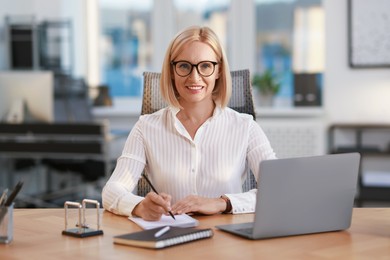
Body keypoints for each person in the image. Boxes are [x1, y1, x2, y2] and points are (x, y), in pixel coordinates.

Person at [102, 26, 276, 221]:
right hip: (171, 240)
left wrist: (221, 203)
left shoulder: (246, 126)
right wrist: (139, 206)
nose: (194, 77)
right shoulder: (146, 128)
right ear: (172, 71)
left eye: (205, 66)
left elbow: (278, 192)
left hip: (227, 241)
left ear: (218, 70)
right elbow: (111, 191)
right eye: (184, 66)